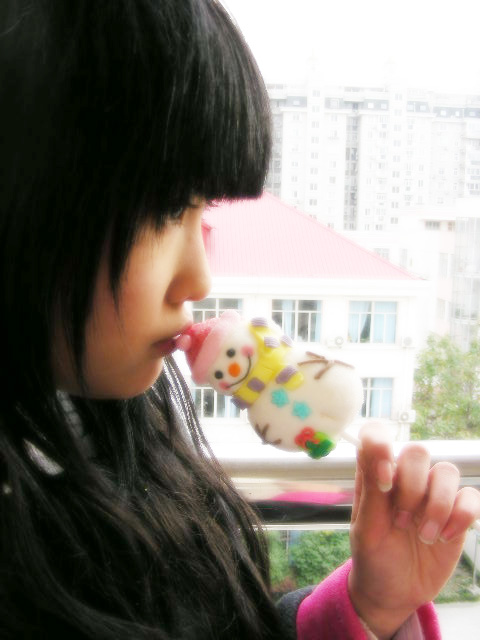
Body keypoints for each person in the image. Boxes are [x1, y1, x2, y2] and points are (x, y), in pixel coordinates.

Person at [0, 1, 479, 638]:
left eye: (202, 214)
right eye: (164, 211)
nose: (198, 280)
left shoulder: (125, 440)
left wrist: (369, 608)